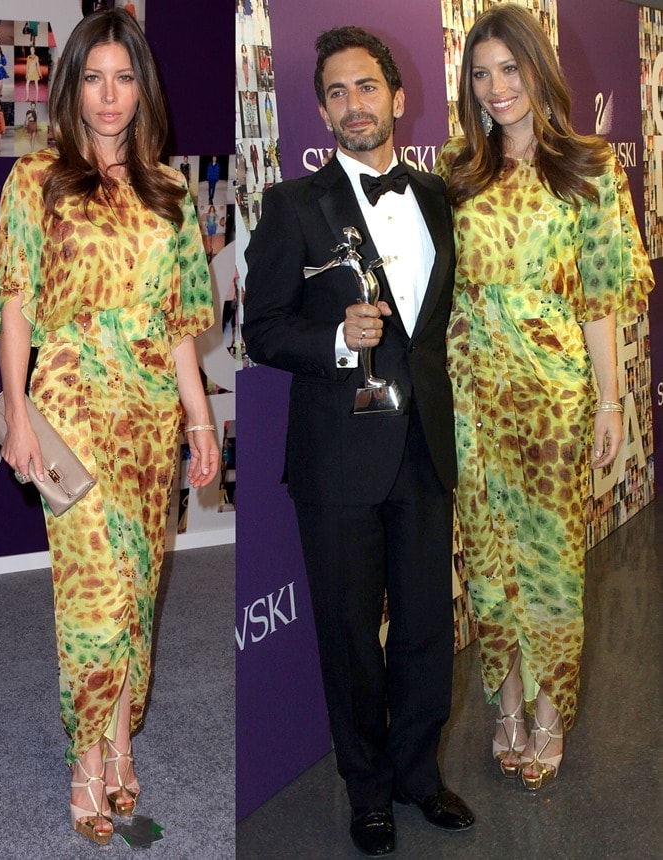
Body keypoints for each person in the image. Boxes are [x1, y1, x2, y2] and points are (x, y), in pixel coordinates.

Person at [243, 25, 474, 857]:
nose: (353, 105)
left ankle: (418, 776)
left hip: (423, 447)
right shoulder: (292, 207)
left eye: (366, 88)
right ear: (321, 110)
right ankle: (367, 790)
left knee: (422, 627)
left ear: (397, 96)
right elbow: (261, 330)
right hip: (338, 458)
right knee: (350, 636)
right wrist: (338, 341)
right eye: (336, 93)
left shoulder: (438, 196)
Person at [0, 9, 219, 845]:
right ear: (72, 85)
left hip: (150, 418)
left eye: (125, 78)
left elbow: (182, 325)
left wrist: (199, 423)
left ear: (143, 86)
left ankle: (123, 738)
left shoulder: (168, 190)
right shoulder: (36, 180)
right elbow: (15, 307)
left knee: (137, 589)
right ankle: (87, 758)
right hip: (72, 405)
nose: (111, 95)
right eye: (94, 77)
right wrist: (18, 412)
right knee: (91, 595)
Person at [432, 2, 654, 792]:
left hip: (554, 397)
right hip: (472, 399)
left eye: (510, 69)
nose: (497, 88)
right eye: (482, 74)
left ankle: (552, 710)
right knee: (489, 563)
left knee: (553, 564)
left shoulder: (588, 166)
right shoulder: (459, 173)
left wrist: (610, 402)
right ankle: (508, 701)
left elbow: (602, 298)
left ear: (537, 68)